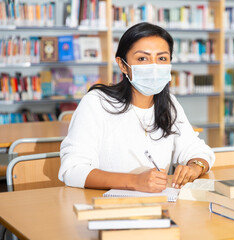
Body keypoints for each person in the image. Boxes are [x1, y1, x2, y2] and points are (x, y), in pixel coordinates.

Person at [58, 22, 215, 192]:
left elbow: (198, 151)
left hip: (157, 207)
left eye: (162, 58)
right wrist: (134, 181)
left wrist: (194, 167)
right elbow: (72, 170)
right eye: (142, 58)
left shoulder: (169, 104)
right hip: (106, 208)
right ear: (123, 65)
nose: (154, 67)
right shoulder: (97, 102)